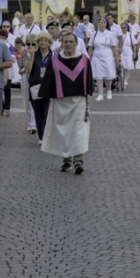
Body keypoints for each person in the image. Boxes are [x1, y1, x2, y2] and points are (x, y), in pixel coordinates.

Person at [40, 28, 92, 174]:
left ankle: (78, 161)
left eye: (71, 42)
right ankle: (67, 160)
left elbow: (88, 81)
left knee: (79, 132)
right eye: (65, 42)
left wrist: (87, 97)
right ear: (61, 43)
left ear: (76, 43)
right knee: (65, 132)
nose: (68, 44)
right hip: (61, 103)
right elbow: (48, 80)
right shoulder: (55, 60)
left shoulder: (84, 60)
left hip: (79, 101)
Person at [91, 17, 119, 101]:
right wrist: (89, 57)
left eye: (102, 22)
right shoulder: (94, 33)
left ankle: (108, 90)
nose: (100, 24)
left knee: (108, 75)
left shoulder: (110, 34)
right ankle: (100, 94)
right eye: (99, 22)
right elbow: (90, 46)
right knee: (98, 75)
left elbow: (114, 47)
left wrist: (116, 58)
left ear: (105, 24)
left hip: (107, 55)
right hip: (97, 56)